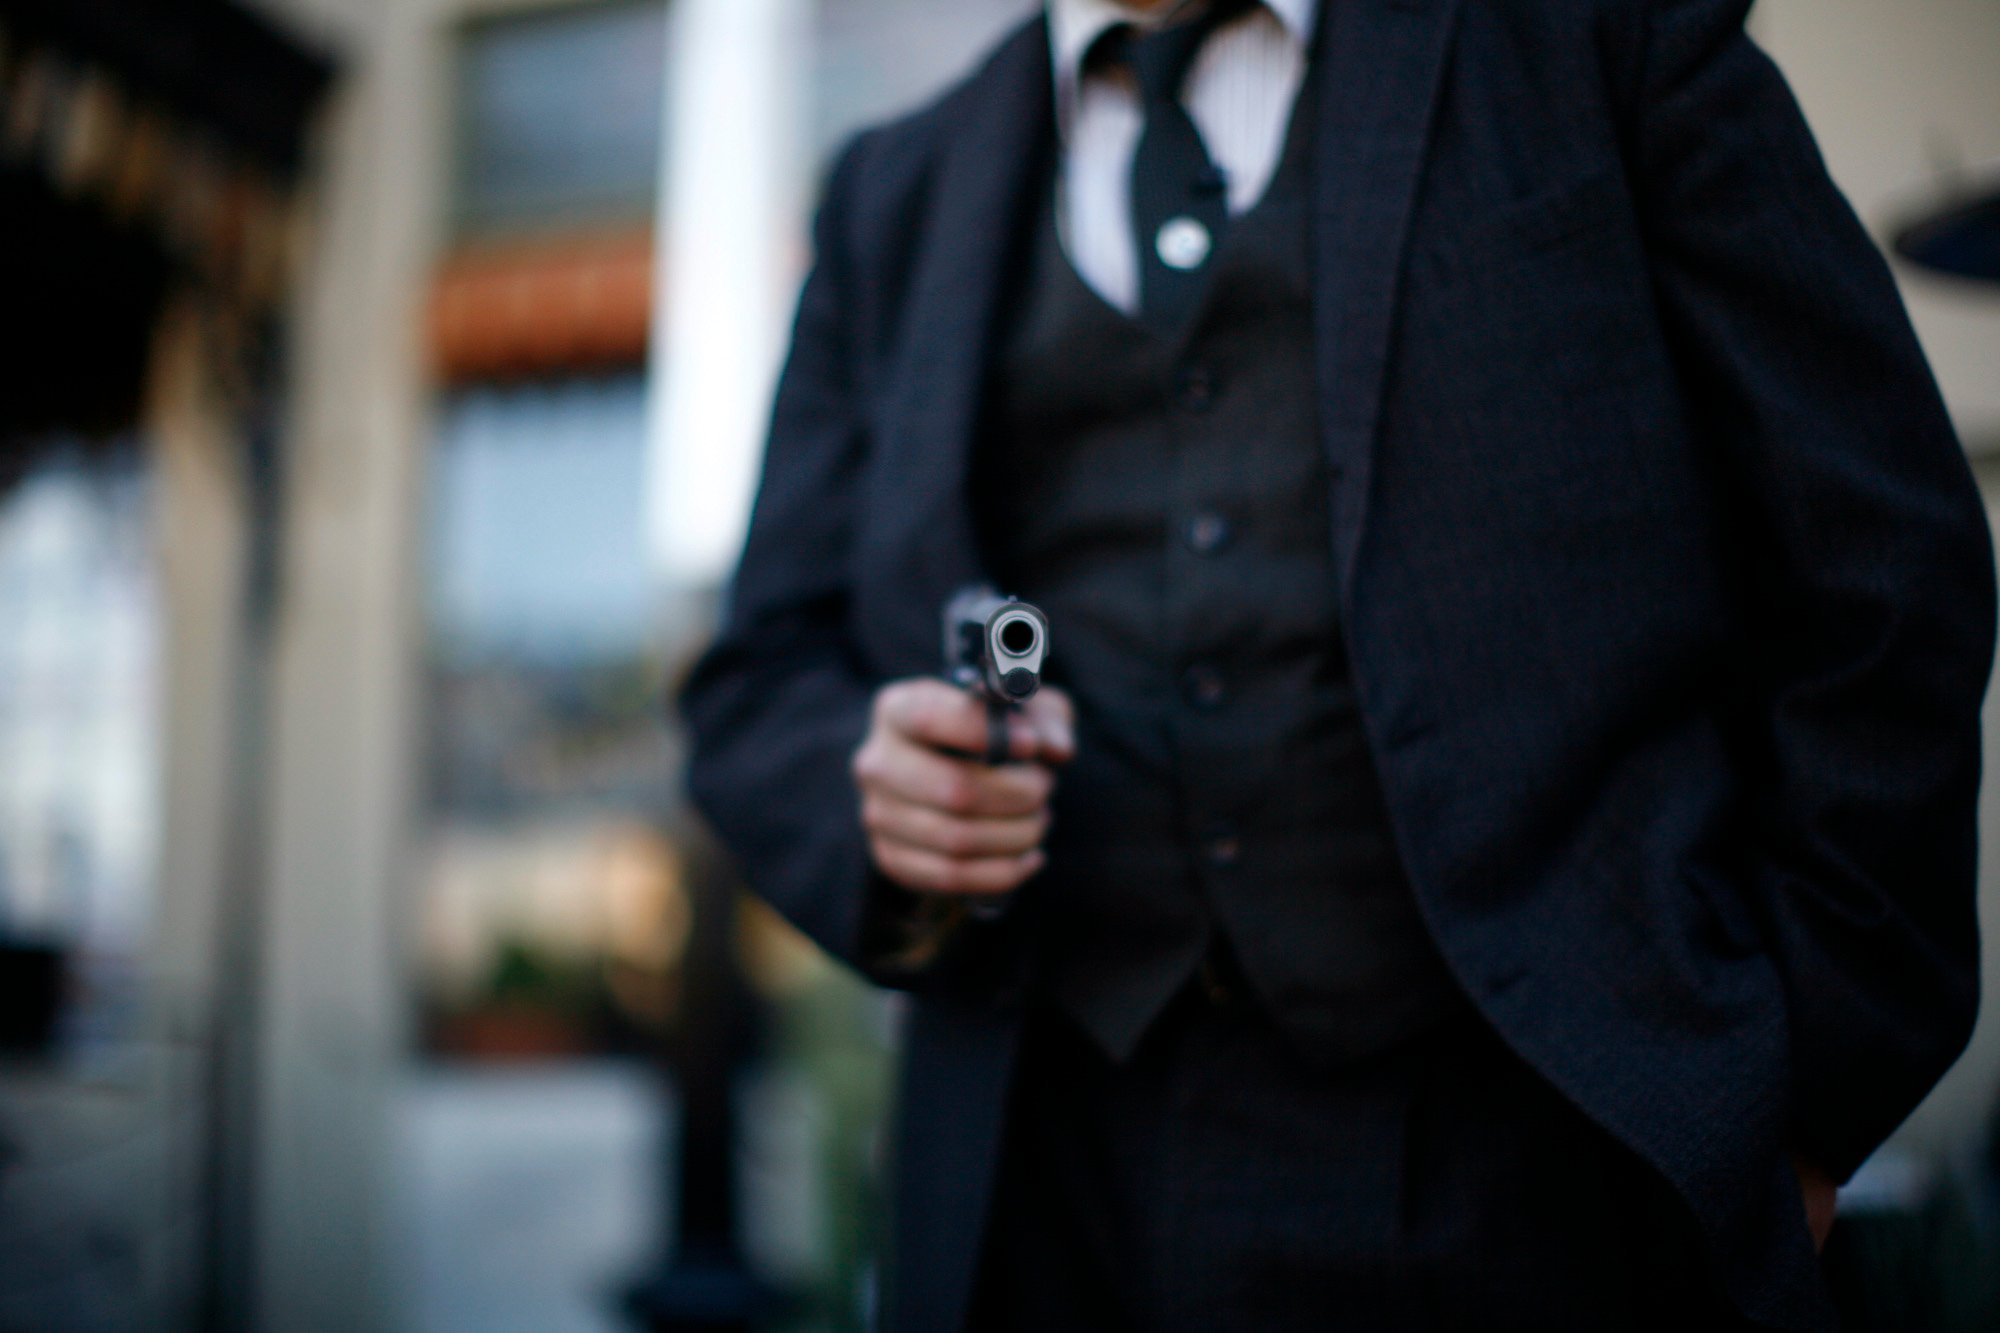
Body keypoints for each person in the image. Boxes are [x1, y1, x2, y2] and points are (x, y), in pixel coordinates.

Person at [680, 0, 1995, 1328]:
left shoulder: (1594, 39)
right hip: (1049, 1175)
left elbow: (1874, 550)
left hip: (1555, 1167)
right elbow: (762, 680)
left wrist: (1805, 1097)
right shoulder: (888, 193)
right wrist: (874, 797)